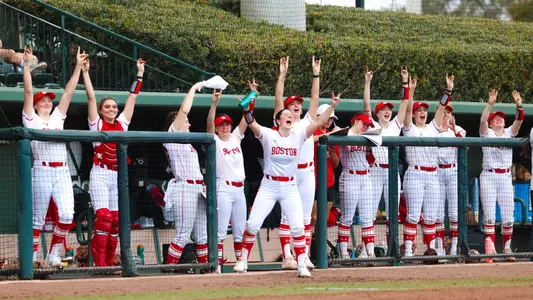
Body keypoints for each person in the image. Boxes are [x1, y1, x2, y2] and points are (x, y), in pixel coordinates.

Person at [233, 91, 340, 278]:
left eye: (291, 116)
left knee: (298, 226)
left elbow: (316, 122)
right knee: (253, 224)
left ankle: (301, 264)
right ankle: (243, 259)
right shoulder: (268, 134)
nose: (290, 117)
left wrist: (332, 107)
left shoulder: (298, 134)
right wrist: (246, 109)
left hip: (289, 186)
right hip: (269, 185)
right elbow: (251, 123)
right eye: (286, 115)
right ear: (278, 120)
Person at [23, 46, 87, 266]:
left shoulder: (58, 118)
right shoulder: (31, 119)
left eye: (49, 100)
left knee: (68, 215)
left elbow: (68, 92)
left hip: (61, 170)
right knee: (37, 218)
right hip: (41, 168)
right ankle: (31, 258)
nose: (47, 102)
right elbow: (28, 92)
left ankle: (53, 254)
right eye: (43, 100)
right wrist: (25, 66)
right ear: (36, 105)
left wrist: (78, 66)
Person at [84, 57, 146, 267]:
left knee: (116, 221)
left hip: (117, 175)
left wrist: (139, 74)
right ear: (102, 110)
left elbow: (132, 98)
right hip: (100, 173)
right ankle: (99, 264)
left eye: (113, 107)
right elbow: (91, 98)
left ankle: (110, 263)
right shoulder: (97, 123)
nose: (111, 109)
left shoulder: (122, 123)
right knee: (103, 218)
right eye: (107, 107)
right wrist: (85, 72)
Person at [273, 56, 320, 270]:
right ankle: (287, 257)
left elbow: (315, 99)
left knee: (305, 216)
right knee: (286, 216)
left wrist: (316, 74)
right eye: (293, 105)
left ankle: (305, 255)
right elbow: (278, 100)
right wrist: (282, 75)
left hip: (307, 173)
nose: (296, 107)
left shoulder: (308, 122)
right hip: (289, 173)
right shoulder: (284, 123)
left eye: (298, 104)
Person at [401, 74, 451, 257]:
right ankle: (408, 250)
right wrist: (411, 90)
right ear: (415, 114)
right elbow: (406, 111)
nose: (422, 112)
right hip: (415, 173)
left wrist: (448, 90)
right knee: (413, 215)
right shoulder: (410, 128)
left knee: (430, 217)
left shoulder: (432, 127)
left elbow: (442, 108)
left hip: (432, 175)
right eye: (419, 110)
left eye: (424, 110)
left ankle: (431, 250)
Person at [162, 82, 209, 268]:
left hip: (198, 187)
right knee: (183, 233)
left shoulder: (188, 143)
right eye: (185, 121)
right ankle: (169, 270)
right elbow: (183, 111)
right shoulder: (172, 136)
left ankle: (207, 270)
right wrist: (194, 88)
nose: (188, 123)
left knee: (202, 234)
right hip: (183, 187)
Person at [362, 67, 409, 250]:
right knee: (369, 211)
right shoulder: (371, 124)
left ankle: (393, 247)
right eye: (384, 109)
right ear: (378, 113)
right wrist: (367, 83)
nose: (387, 111)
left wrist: (404, 83)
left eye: (389, 109)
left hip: (391, 171)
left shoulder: (396, 125)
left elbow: (404, 104)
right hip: (374, 171)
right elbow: (366, 106)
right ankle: (368, 250)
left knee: (393, 212)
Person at [206, 85, 249, 273]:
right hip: (223, 187)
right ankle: (217, 266)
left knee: (240, 230)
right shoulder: (214, 140)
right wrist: (214, 104)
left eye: (227, 124)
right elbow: (208, 126)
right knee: (221, 230)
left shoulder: (235, 138)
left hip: (240, 189)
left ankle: (241, 264)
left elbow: (246, 121)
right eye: (221, 125)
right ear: (217, 128)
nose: (225, 127)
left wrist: (251, 97)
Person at [479, 89, 523, 263]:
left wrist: (519, 104)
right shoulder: (487, 132)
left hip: (505, 176)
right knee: (489, 216)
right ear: (491, 124)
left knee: (507, 215)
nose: (499, 119)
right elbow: (482, 120)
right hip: (489, 175)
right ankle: (490, 251)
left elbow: (519, 121)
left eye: (501, 118)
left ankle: (507, 248)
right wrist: (490, 104)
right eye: (495, 118)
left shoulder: (508, 133)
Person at [337, 110, 375, 262]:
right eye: (364, 124)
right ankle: (343, 253)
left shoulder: (367, 137)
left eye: (368, 125)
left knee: (367, 217)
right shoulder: (344, 134)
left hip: (365, 176)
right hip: (350, 175)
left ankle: (371, 253)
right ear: (356, 121)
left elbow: (372, 162)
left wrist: (368, 149)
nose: (366, 127)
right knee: (347, 218)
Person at [435, 105, 466, 257]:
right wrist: (439, 130)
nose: (446, 115)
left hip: (453, 171)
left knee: (454, 214)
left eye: (448, 112)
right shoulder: (431, 129)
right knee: (439, 214)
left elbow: (465, 147)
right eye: (443, 112)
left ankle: (454, 248)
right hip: (437, 171)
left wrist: (453, 130)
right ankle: (440, 249)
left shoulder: (459, 130)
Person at [311, 104, 340, 230]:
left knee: (325, 219)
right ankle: (309, 248)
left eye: (331, 118)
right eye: (327, 117)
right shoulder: (312, 132)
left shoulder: (332, 135)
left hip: (328, 182)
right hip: (313, 180)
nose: (329, 121)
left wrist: (332, 150)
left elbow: (336, 164)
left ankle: (319, 249)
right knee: (313, 218)